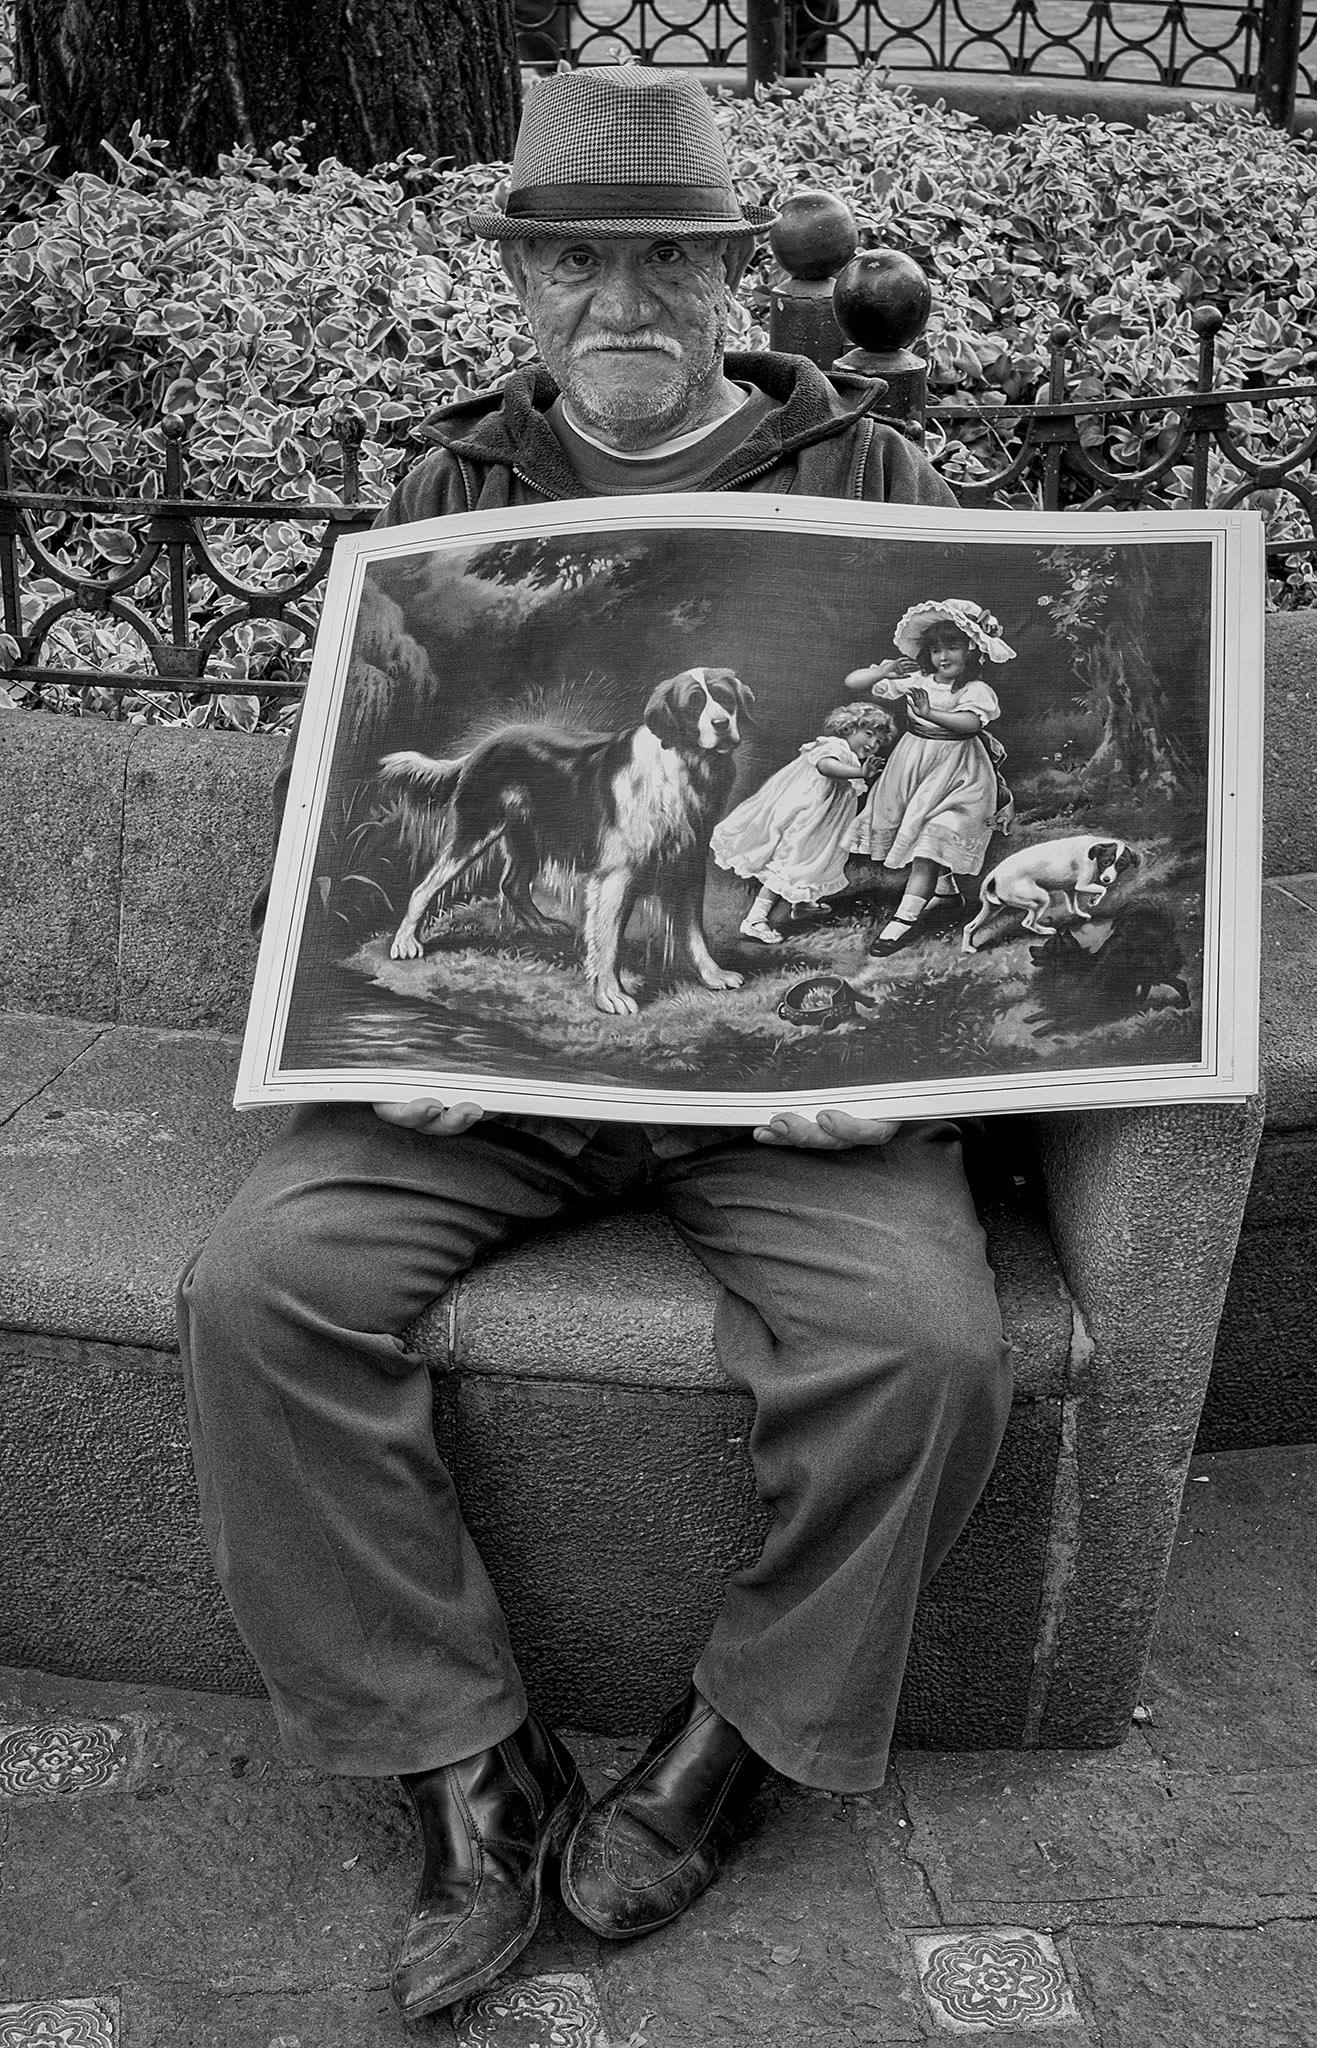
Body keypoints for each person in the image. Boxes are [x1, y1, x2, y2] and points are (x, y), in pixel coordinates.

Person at [176, 67, 1013, 2024]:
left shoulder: (872, 481)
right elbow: (365, 832)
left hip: (778, 1063)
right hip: (508, 1068)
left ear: (732, 279)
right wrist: (395, 1029)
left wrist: (888, 1050)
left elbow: (967, 799)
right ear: (525, 280)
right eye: (574, 260)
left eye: (661, 260)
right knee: (258, 1291)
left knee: (926, 1354)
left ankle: (728, 1752)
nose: (616, 300)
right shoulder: (448, 492)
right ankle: (473, 1770)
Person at [844, 599, 1016, 956]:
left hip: (960, 774)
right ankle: (946, 893)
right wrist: (884, 671)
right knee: (919, 829)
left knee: (934, 835)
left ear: (972, 651)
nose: (943, 657)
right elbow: (852, 682)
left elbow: (971, 724)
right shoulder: (917, 680)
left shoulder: (975, 691)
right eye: (936, 649)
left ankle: (903, 920)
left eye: (952, 647)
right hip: (913, 767)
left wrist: (930, 712)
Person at [711, 703, 890, 942]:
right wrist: (859, 774)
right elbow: (826, 767)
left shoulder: (852, 759)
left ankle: (803, 904)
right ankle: (755, 919)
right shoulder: (833, 746)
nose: (872, 744)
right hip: (805, 818)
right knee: (790, 865)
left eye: (878, 741)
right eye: (868, 734)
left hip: (822, 825)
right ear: (848, 727)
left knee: (812, 861)